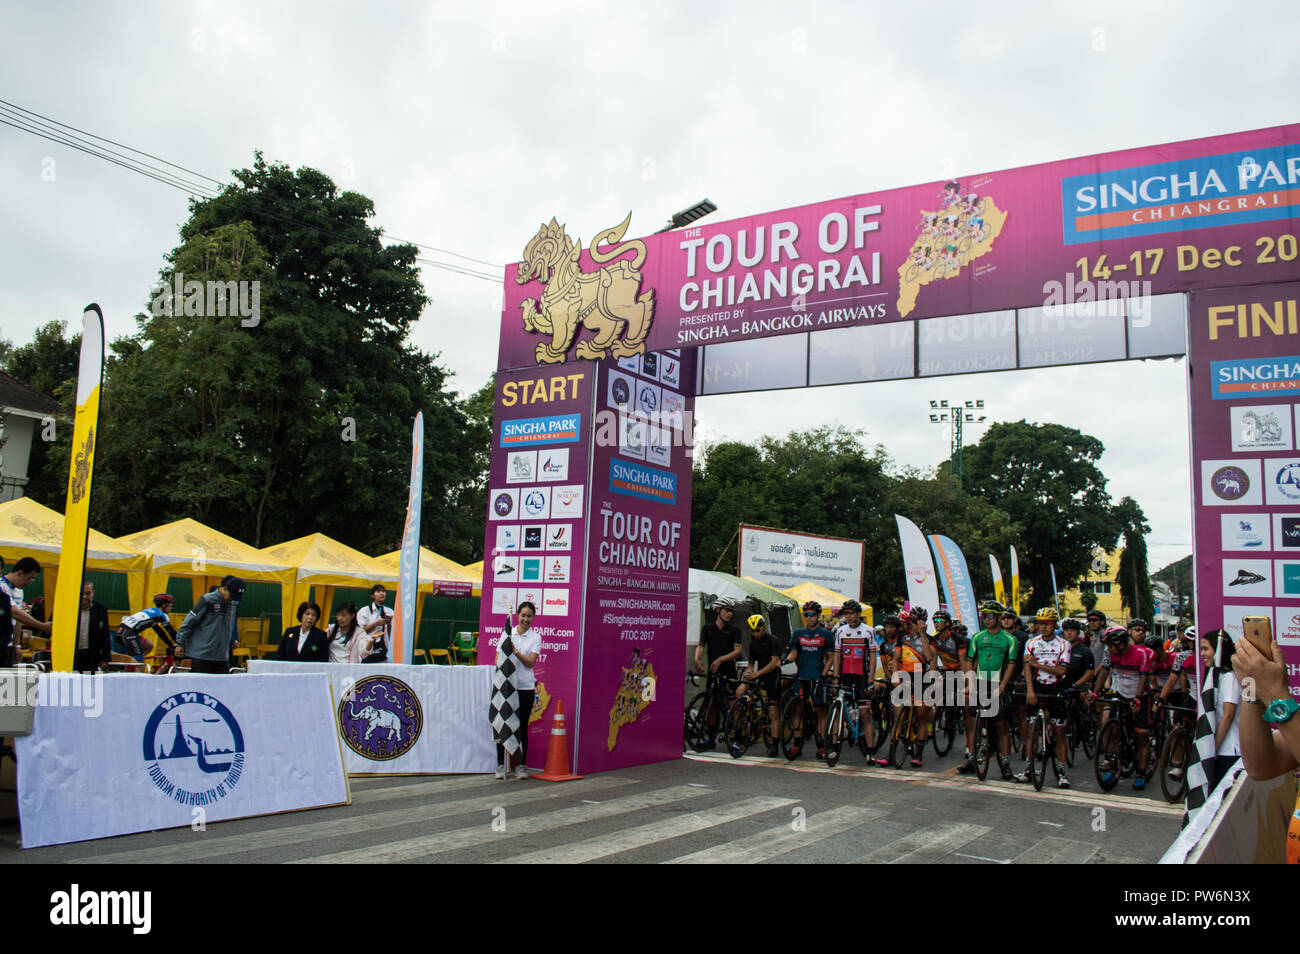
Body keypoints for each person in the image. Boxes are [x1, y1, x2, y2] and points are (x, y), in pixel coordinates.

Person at [1094, 624, 1154, 790]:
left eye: (1110, 646)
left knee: (1141, 734)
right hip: (1120, 694)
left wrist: (1138, 698)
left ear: (1120, 644)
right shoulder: (1110, 653)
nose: (1108, 649)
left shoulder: (1141, 654)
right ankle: (1113, 768)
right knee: (1113, 731)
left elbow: (1143, 676)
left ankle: (1141, 773)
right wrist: (1095, 692)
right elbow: (1104, 672)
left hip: (1140, 695)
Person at [1020, 607, 1073, 788]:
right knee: (1031, 731)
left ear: (1054, 624)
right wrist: (1030, 690)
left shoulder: (1064, 644)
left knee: (1059, 733)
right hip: (1037, 687)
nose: (1043, 627)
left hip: (1056, 689)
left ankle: (1062, 772)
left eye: (1047, 623)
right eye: (1040, 623)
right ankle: (1028, 770)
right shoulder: (1031, 643)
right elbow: (1027, 667)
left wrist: (1037, 665)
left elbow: (1061, 670)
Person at [965, 600, 1018, 779]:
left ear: (998, 617)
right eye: (984, 616)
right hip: (979, 682)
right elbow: (970, 662)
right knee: (974, 722)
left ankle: (1004, 762)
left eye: (990, 616)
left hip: (997, 685)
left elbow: (1011, 665)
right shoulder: (977, 637)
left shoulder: (1010, 639)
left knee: (1001, 725)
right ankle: (972, 758)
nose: (986, 620)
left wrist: (1002, 686)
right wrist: (970, 684)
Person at [494, 601, 541, 779]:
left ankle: (521, 765)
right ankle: (500, 764)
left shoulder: (535, 637)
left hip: (525, 687)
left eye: (529, 616)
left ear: (533, 618)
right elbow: (497, 659)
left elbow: (530, 662)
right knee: (502, 724)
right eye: (523, 615)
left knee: (521, 726)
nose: (525, 619)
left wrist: (516, 653)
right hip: (507, 687)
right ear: (518, 616)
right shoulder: (508, 633)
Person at [693, 597, 742, 749]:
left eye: (731, 611)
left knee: (733, 704)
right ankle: (711, 739)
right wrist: (696, 659)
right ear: (717, 610)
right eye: (727, 610)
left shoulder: (734, 630)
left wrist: (721, 659)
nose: (729, 614)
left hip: (728, 672)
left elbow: (738, 651)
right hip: (713, 673)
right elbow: (701, 646)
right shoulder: (707, 629)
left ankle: (737, 739)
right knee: (712, 705)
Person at [786, 600, 833, 760]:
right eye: (806, 614)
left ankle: (821, 746)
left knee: (820, 711)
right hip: (802, 677)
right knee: (798, 710)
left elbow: (831, 657)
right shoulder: (798, 633)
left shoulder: (826, 634)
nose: (809, 617)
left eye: (812, 614)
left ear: (818, 615)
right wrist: (784, 661)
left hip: (818, 678)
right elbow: (794, 653)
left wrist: (824, 675)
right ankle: (797, 746)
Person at [832, 599, 876, 758]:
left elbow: (872, 655)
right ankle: (834, 747)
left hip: (861, 677)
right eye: (846, 614)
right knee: (838, 712)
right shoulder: (841, 631)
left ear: (858, 613)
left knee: (865, 715)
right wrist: (835, 675)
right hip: (845, 676)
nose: (849, 617)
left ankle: (870, 751)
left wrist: (871, 678)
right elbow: (837, 654)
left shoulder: (868, 631)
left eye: (851, 613)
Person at [1198, 629, 1241, 791]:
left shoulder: (1229, 677)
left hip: (1228, 751)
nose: (1202, 654)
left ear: (1219, 649)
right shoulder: (1216, 676)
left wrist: (1213, 747)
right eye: (1201, 649)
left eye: (1206, 649)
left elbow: (1228, 715)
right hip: (1219, 750)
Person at [176, 575, 245, 673]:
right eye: (232, 595)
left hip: (222, 656)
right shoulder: (207, 600)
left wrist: (233, 639)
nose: (233, 599)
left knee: (223, 686)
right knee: (199, 687)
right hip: (202, 655)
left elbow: (230, 624)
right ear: (225, 589)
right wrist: (180, 643)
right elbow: (189, 621)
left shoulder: (233, 603)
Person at [735, 614, 781, 757]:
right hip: (759, 675)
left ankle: (774, 744)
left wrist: (756, 674)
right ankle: (743, 725)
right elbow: (750, 662)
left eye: (758, 631)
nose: (756, 634)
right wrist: (749, 673)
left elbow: (774, 663)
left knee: (773, 712)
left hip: (772, 675)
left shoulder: (773, 640)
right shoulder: (752, 643)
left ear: (764, 627)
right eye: (753, 631)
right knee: (739, 691)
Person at [1, 556, 52, 662]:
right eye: (30, 578)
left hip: (8, 644)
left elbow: (18, 620)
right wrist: (42, 626)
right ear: (20, 573)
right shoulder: (2, 586)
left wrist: (16, 646)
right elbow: (14, 612)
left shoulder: (19, 591)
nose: (31, 582)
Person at [113, 593, 179, 663]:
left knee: (149, 646)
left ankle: (131, 664)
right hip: (129, 634)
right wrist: (180, 643)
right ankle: (136, 665)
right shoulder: (161, 615)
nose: (171, 608)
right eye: (170, 606)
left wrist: (170, 644)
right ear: (164, 605)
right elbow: (171, 631)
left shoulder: (151, 612)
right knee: (140, 662)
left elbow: (160, 632)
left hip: (121, 632)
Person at [72, 581, 112, 673]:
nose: (85, 597)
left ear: (93, 592)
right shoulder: (69, 608)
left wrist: (106, 657)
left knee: (90, 684)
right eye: (81, 594)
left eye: (88, 593)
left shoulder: (101, 609)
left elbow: (105, 635)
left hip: (92, 656)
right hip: (72, 655)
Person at [356, 584, 394, 663]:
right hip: (367, 647)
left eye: (383, 591)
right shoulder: (364, 611)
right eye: (378, 591)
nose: (382, 593)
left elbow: (392, 635)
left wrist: (389, 623)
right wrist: (376, 623)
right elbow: (360, 632)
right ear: (372, 595)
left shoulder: (389, 611)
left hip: (384, 650)